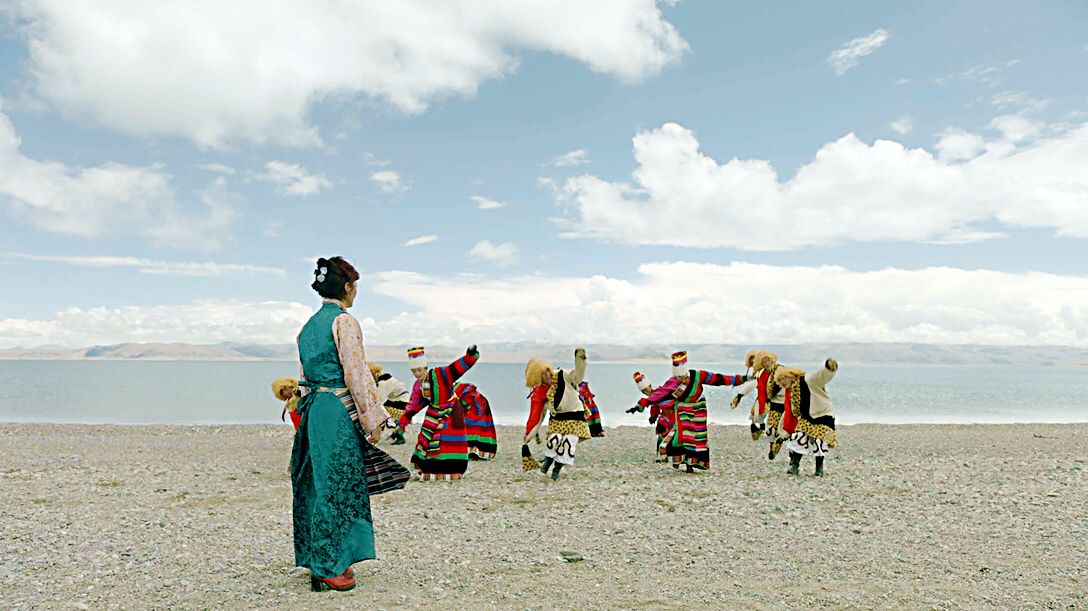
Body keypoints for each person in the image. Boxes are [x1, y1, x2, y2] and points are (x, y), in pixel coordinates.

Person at [291, 257, 409, 592]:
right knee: (339, 486)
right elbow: (357, 373)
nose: (356, 292)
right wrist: (373, 420)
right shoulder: (344, 322)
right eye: (355, 286)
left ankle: (318, 559)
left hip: (314, 410)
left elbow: (304, 378)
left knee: (315, 485)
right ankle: (330, 566)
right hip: (336, 411)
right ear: (346, 287)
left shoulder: (307, 327)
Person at [632, 351, 749, 472]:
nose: (679, 379)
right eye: (677, 376)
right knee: (684, 437)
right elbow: (658, 395)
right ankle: (685, 464)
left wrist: (740, 379)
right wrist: (640, 405)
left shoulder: (699, 375)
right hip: (682, 410)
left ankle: (693, 463)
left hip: (699, 410)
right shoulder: (673, 381)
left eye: (681, 376)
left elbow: (718, 379)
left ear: (685, 372)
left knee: (697, 439)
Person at [395, 345, 481, 481]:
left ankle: (451, 469)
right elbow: (414, 405)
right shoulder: (418, 386)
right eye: (413, 371)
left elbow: (456, 369)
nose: (417, 374)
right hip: (433, 413)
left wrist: (470, 356)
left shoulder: (440, 373)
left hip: (451, 412)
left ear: (425, 367)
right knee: (428, 439)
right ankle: (429, 466)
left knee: (446, 440)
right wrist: (403, 421)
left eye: (419, 370)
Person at [524, 348, 589, 480]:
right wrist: (529, 435)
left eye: (546, 372)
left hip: (575, 417)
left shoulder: (563, 374)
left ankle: (556, 470)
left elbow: (577, 375)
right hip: (558, 421)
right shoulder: (542, 393)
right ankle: (547, 463)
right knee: (554, 440)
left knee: (568, 443)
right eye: (542, 377)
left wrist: (580, 360)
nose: (547, 377)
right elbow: (539, 417)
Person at [775, 359, 839, 476]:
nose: (781, 382)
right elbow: (789, 411)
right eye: (779, 380)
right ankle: (794, 466)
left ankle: (819, 468)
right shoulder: (791, 392)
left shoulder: (808, 380)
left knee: (820, 440)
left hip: (823, 414)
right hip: (807, 417)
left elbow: (821, 376)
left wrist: (829, 368)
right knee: (799, 437)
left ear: (791, 376)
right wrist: (782, 431)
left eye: (783, 378)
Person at [731, 351, 788, 458]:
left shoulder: (781, 371)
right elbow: (755, 383)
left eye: (767, 361)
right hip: (768, 400)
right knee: (768, 424)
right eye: (763, 362)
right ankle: (771, 446)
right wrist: (740, 395)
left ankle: (779, 443)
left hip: (782, 402)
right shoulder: (761, 374)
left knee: (781, 427)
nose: (766, 363)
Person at [626, 371, 676, 463]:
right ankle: (660, 456)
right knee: (661, 434)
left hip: (674, 415)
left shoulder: (659, 392)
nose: (645, 392)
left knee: (672, 436)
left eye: (646, 389)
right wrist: (637, 409)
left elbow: (650, 403)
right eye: (643, 391)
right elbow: (652, 407)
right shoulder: (651, 398)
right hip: (664, 417)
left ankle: (668, 455)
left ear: (650, 386)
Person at [368, 362, 410, 445]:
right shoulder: (387, 378)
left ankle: (379, 434)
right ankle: (395, 431)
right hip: (401, 400)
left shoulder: (384, 382)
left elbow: (379, 399)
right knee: (385, 415)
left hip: (401, 403)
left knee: (381, 414)